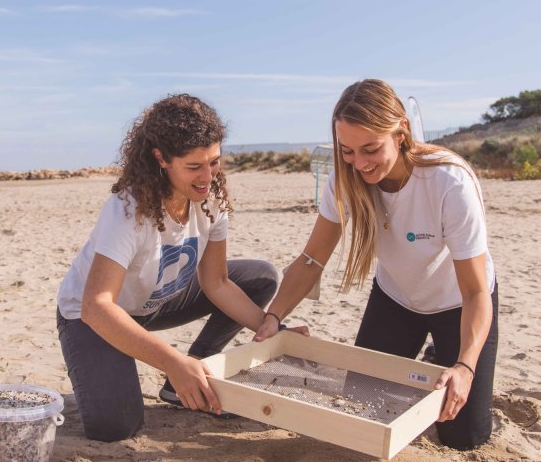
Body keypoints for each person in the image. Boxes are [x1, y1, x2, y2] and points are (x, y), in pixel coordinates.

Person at [254, 79, 498, 451]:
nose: (359, 163)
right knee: (362, 404)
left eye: (370, 148)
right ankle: (429, 358)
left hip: (458, 305)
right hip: (396, 299)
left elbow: (476, 291)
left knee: (463, 435)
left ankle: (441, 355)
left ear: (401, 131)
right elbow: (311, 259)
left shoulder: (449, 182)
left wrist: (464, 366)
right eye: (348, 151)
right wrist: (273, 317)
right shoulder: (344, 180)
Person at [56, 94, 296, 442]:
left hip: (157, 300)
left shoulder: (212, 197)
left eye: (214, 161)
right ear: (161, 159)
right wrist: (171, 359)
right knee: (116, 426)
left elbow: (216, 282)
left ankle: (189, 375)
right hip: (93, 316)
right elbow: (97, 306)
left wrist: (271, 326)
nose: (207, 176)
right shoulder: (128, 210)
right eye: (194, 166)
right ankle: (182, 371)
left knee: (261, 278)